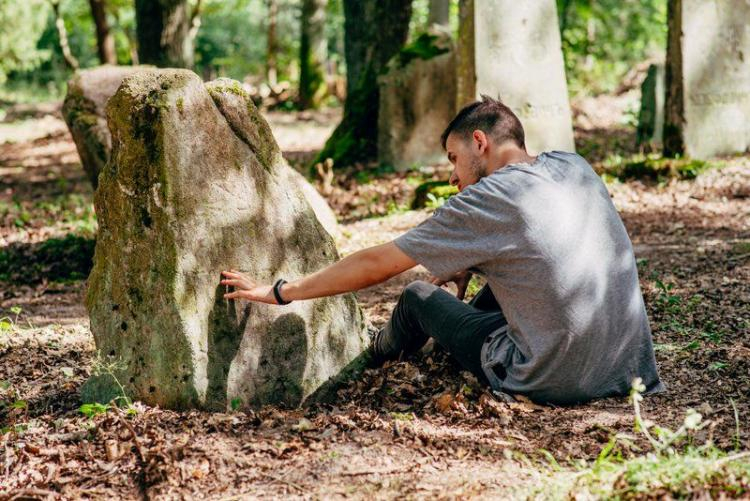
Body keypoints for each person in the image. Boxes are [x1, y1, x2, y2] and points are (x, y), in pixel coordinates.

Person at [220, 95, 665, 405]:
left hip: (548, 378)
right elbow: (550, 249)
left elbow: (378, 263)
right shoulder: (574, 166)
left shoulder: (485, 199)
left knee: (417, 297)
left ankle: (374, 350)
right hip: (629, 371)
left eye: (453, 158)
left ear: (479, 142)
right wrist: (473, 257)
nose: (452, 176)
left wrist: (281, 291)